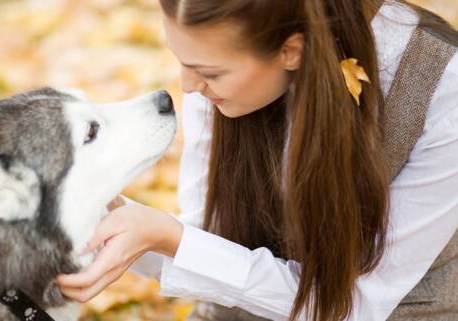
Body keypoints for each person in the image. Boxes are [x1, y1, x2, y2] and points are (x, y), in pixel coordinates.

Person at [56, 0, 458, 320]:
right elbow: (210, 244)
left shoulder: (442, 91)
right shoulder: (216, 77)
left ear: (292, 51)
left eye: (209, 72)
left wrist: (170, 239)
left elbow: (354, 307)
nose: (187, 87)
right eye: (182, 61)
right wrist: (103, 221)